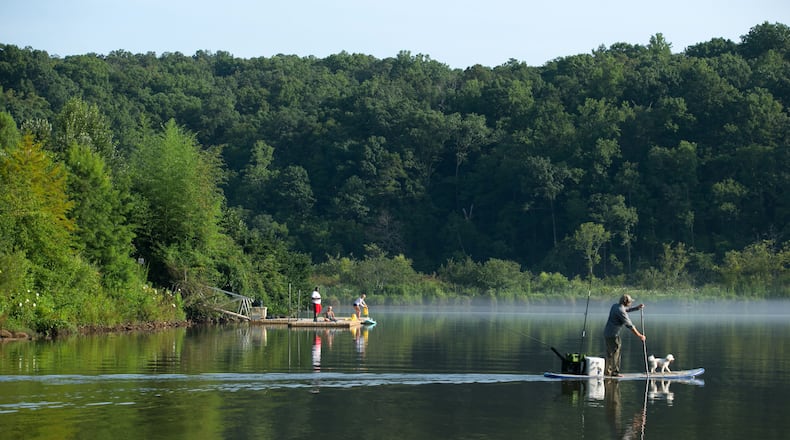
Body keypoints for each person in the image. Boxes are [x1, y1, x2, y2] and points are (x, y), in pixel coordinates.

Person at [604, 294, 646, 377]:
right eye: (630, 302)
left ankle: (608, 371)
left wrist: (636, 308)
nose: (630, 303)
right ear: (626, 302)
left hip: (607, 333)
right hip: (613, 335)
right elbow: (630, 325)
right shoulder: (621, 311)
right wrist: (640, 336)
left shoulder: (615, 306)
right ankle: (615, 372)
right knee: (616, 352)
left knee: (610, 353)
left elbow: (625, 309)